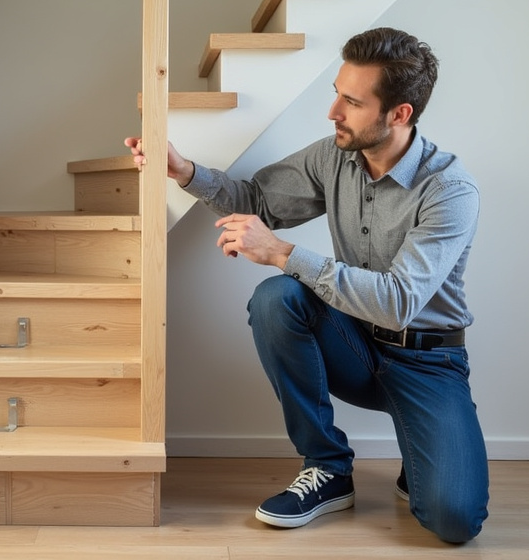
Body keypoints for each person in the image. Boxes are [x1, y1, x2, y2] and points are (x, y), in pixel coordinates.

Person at [125, 27, 488, 543]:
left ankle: (423, 448)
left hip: (429, 363)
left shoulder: (449, 189)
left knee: (455, 521)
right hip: (354, 348)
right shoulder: (334, 156)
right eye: (336, 93)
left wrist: (281, 252)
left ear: (399, 114)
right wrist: (183, 171)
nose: (333, 112)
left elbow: (399, 302)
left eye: (352, 101)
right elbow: (257, 198)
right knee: (278, 299)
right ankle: (328, 468)